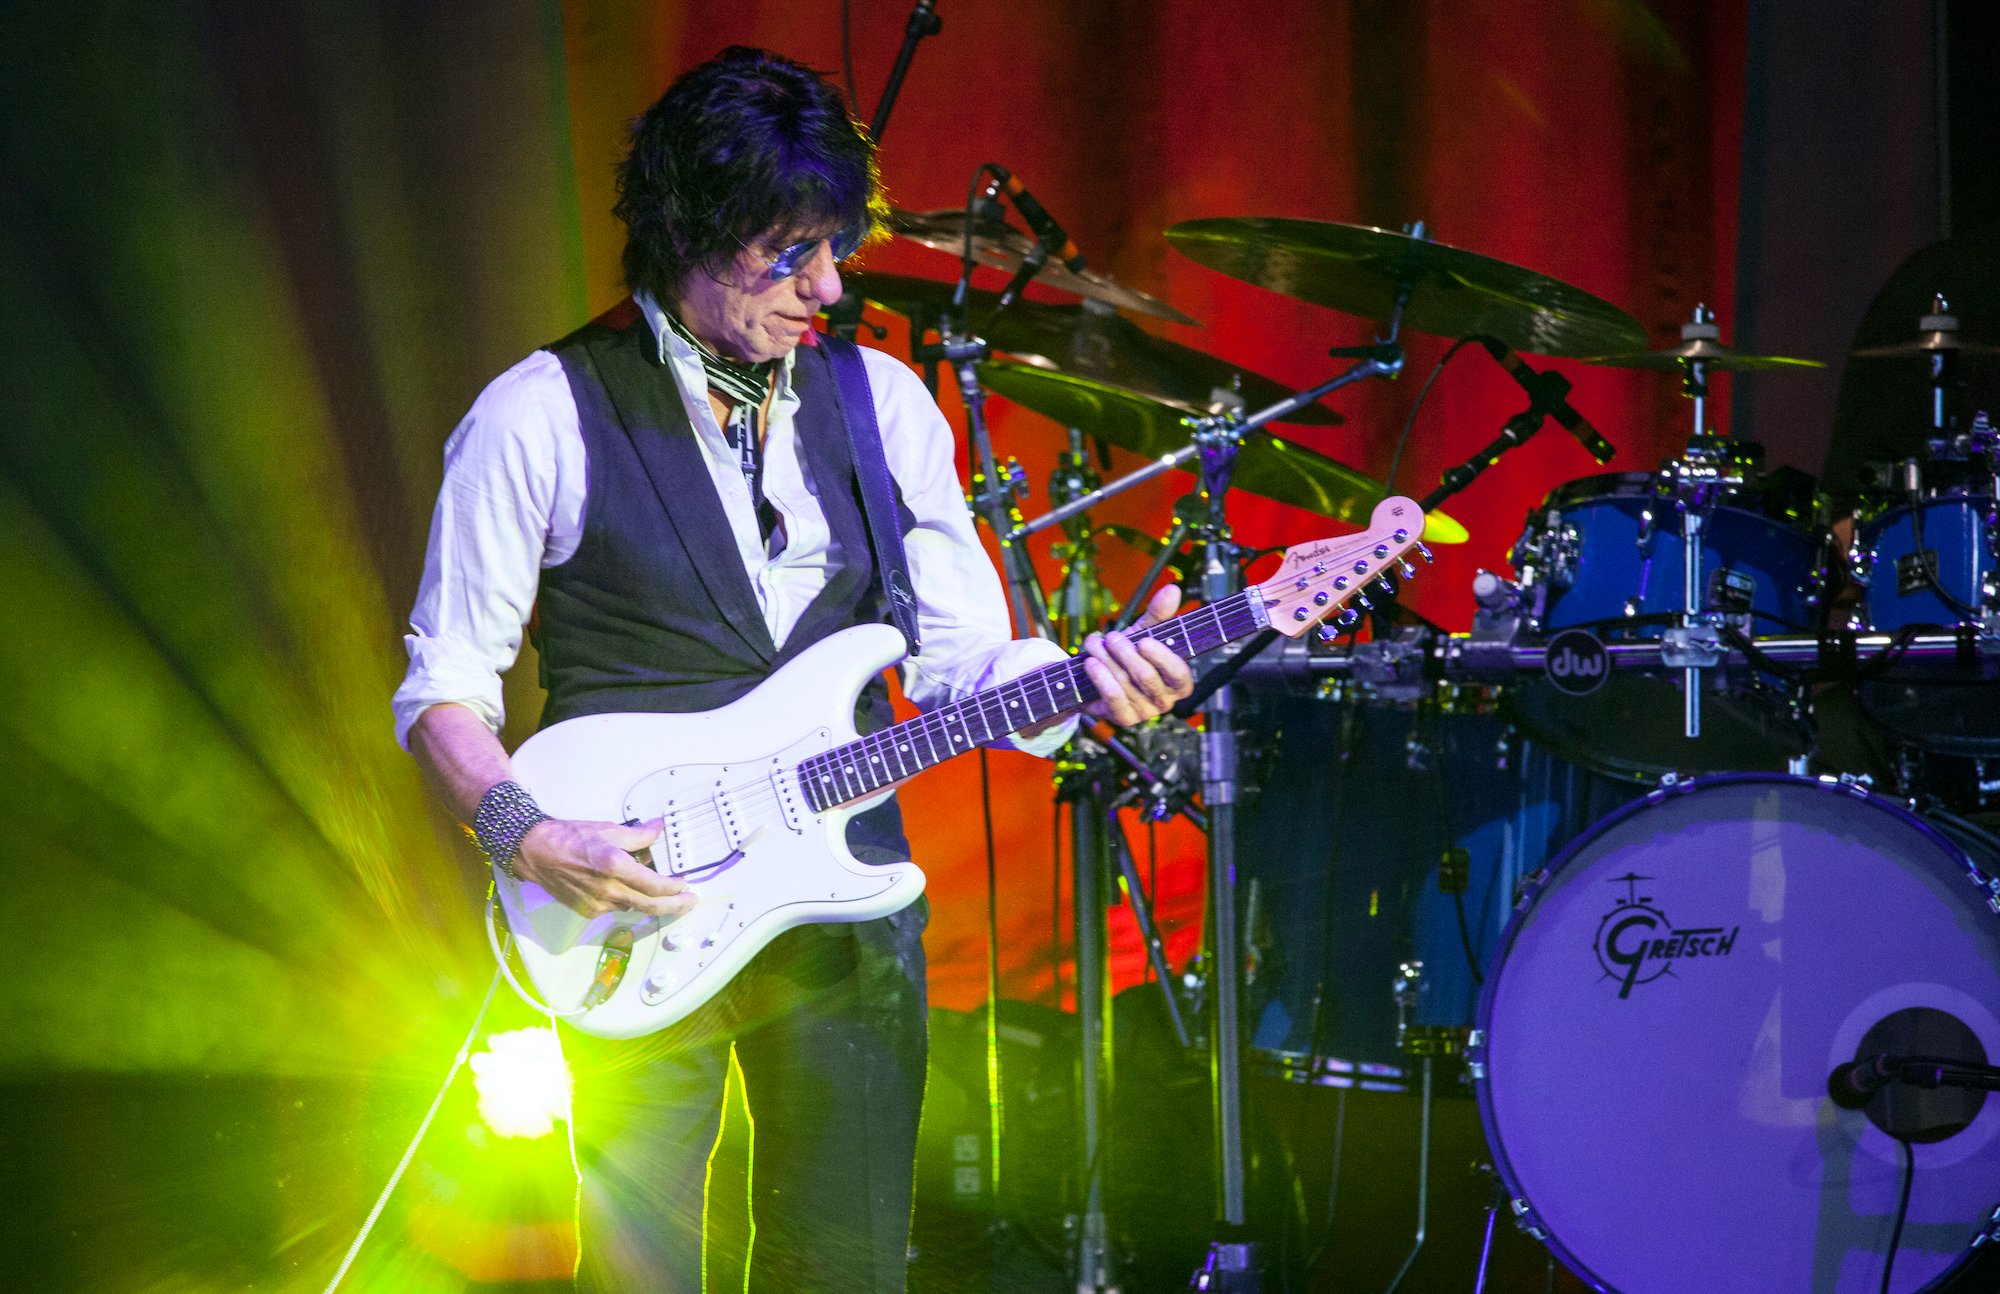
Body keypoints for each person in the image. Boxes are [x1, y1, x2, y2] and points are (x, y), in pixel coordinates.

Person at [392, 46, 1193, 1292]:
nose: (826, 285)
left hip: (846, 901)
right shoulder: (538, 411)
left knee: (844, 1266)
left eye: (834, 249)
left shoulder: (884, 402)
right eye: (788, 253)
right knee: (638, 1267)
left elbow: (962, 653)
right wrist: (524, 832)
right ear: (691, 233)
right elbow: (444, 685)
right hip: (628, 907)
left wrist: (1083, 679)